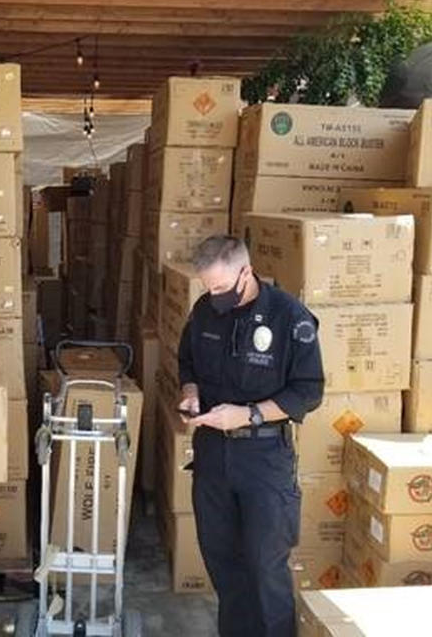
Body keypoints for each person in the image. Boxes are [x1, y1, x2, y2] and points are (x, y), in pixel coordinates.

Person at [177, 235, 324, 637]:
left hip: (263, 460)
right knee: (223, 562)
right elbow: (187, 359)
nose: (214, 296)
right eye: (208, 288)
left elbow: (308, 392)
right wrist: (190, 393)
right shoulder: (205, 311)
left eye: (221, 287)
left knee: (265, 568)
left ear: (246, 271)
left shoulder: (289, 317)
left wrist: (248, 414)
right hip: (212, 458)